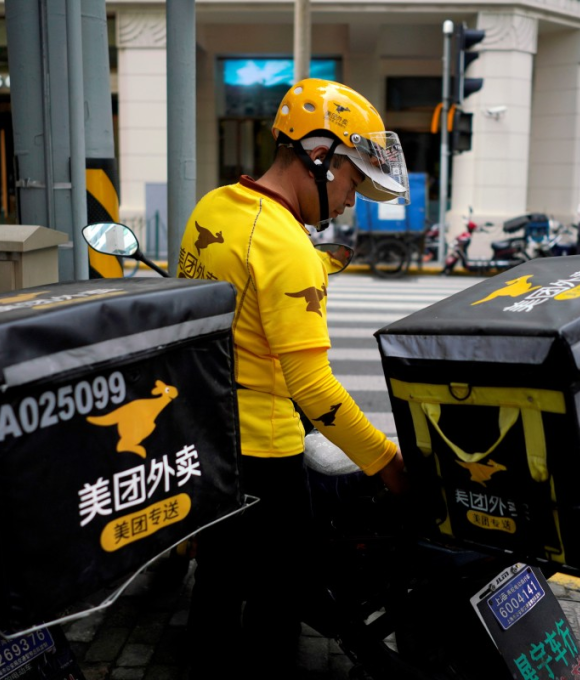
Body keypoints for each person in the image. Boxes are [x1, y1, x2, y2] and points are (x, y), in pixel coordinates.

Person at [178, 78, 408, 679]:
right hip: (267, 452)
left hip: (210, 437)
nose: (350, 200)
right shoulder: (288, 248)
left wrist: (312, 262)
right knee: (279, 600)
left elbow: (238, 301)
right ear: (318, 155)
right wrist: (386, 462)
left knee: (220, 582)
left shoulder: (215, 208)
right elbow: (313, 389)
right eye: (353, 180)